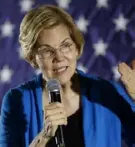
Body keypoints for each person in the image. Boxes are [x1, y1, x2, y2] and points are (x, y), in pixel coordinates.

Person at [0, 4, 135, 147]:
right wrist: (44, 136)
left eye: (65, 45)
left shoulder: (107, 92)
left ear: (76, 48)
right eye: (47, 51)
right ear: (33, 58)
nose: (59, 57)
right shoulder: (16, 100)